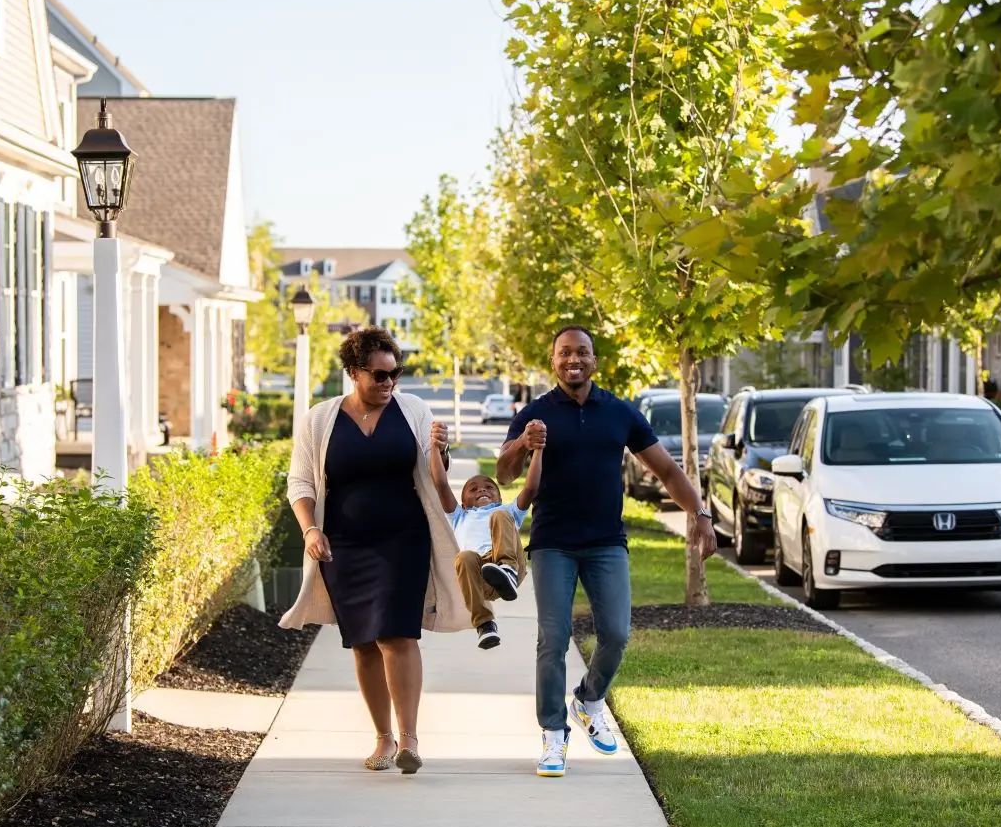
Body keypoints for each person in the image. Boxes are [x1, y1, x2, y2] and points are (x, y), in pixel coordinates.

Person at [498, 326, 717, 777]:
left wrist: (700, 512)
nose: (572, 359)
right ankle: (553, 736)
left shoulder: (618, 412)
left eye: (582, 352)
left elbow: (667, 471)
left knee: (616, 633)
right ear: (553, 360)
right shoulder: (534, 413)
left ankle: (589, 698)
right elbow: (504, 472)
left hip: (605, 543)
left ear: (594, 360)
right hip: (553, 542)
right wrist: (524, 442)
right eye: (564, 353)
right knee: (552, 640)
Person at [279, 326, 469, 775]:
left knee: (398, 634)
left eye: (395, 374)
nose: (388, 383)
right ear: (353, 372)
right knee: (363, 641)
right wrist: (310, 530)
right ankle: (382, 737)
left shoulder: (414, 411)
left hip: (404, 539)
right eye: (379, 375)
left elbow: (433, 474)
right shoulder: (319, 420)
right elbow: (301, 482)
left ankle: (409, 739)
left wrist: (442, 452)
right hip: (343, 544)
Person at [428, 420, 542, 650]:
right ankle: (485, 625)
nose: (482, 489)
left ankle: (507, 569)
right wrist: (434, 447)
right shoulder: (459, 516)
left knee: (498, 517)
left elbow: (530, 488)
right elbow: (440, 483)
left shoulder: (507, 511)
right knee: (463, 557)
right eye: (473, 488)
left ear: (499, 497)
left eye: (489, 487)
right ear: (463, 502)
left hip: (510, 569)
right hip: (481, 578)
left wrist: (538, 449)